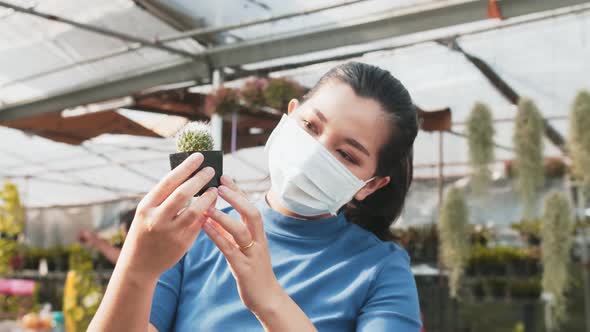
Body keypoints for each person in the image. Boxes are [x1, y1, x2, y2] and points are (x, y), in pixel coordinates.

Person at [89, 62, 421, 331]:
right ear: (289, 114)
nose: (312, 155)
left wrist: (269, 299)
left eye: (346, 155)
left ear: (371, 185)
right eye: (310, 126)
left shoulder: (380, 269)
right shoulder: (196, 233)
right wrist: (136, 269)